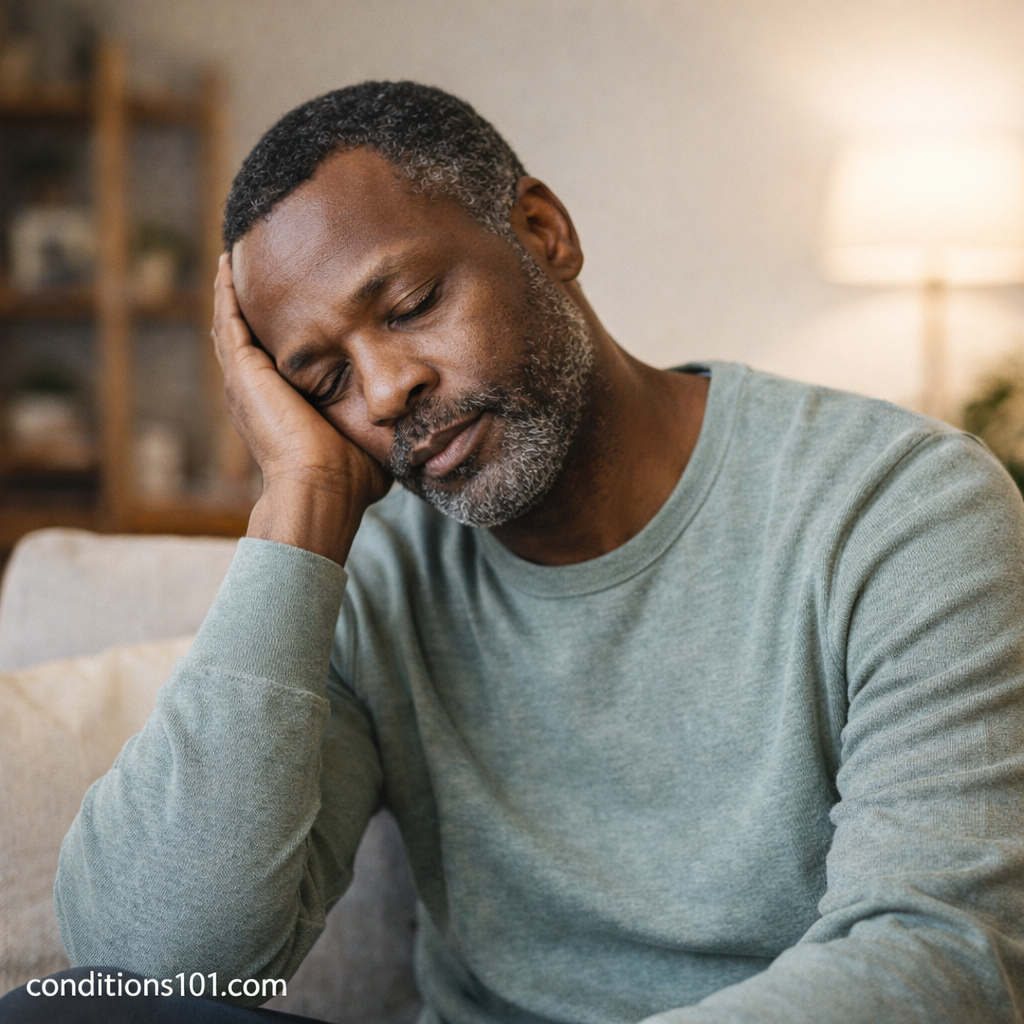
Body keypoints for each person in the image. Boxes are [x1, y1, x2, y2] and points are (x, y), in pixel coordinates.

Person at [9, 81, 1024, 1023]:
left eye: (408, 307)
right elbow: (154, 963)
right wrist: (299, 503)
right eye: (322, 382)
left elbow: (938, 952)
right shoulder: (369, 574)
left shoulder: (899, 504)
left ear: (543, 233)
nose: (385, 390)